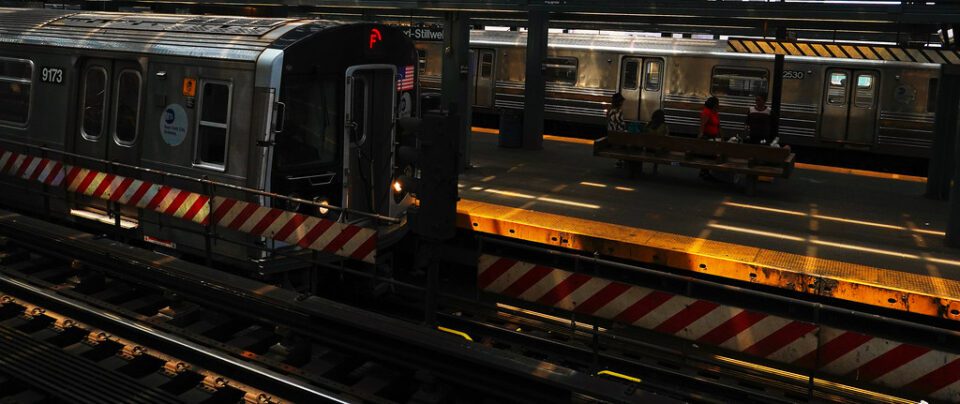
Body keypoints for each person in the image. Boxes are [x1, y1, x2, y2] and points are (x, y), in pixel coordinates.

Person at [699, 96, 720, 180]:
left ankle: (706, 172)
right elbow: (703, 124)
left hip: (713, 137)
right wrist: (701, 134)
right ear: (714, 104)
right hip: (707, 137)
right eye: (718, 103)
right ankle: (704, 172)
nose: (719, 105)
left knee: (711, 155)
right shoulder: (707, 112)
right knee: (708, 155)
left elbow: (718, 124)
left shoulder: (714, 112)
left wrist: (720, 135)